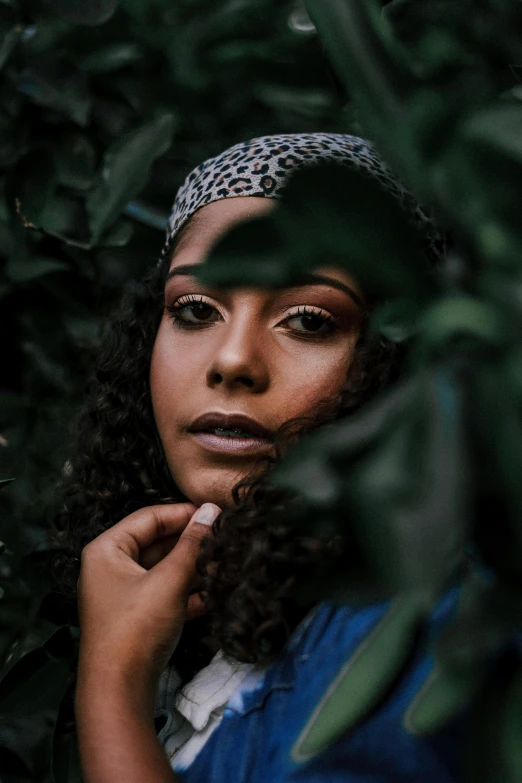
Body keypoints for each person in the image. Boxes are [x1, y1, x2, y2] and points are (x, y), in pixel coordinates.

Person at [52, 134, 460, 783]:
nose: (233, 358)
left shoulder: (418, 639)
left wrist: (111, 687)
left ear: (398, 360)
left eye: (308, 320)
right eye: (194, 309)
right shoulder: (163, 627)